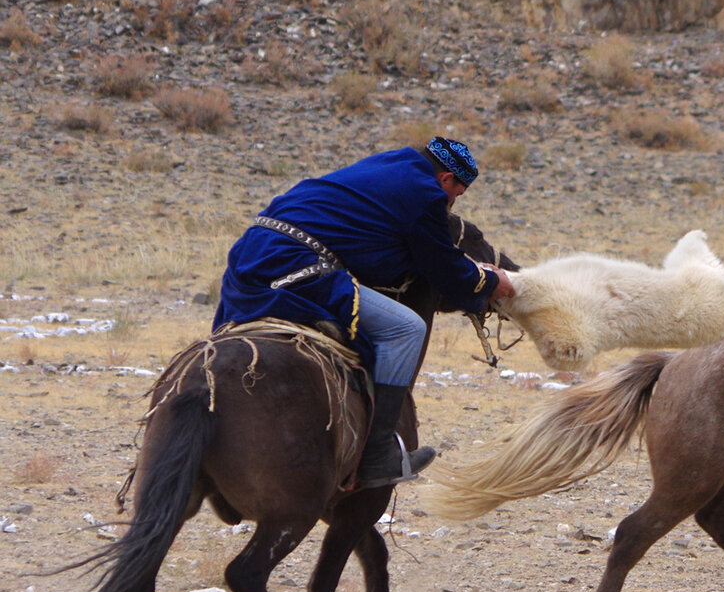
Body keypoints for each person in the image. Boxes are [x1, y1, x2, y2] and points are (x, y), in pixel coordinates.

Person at [213, 138, 515, 488]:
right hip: (296, 264)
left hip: (251, 252)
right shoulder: (425, 195)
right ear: (446, 179)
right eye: (457, 195)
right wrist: (489, 281)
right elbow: (444, 269)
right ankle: (377, 453)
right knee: (407, 329)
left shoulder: (389, 163)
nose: (450, 203)